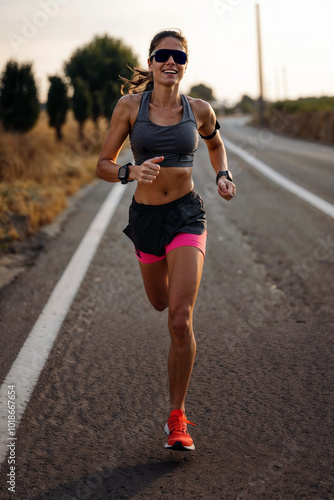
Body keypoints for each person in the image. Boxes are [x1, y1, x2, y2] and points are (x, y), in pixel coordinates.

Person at [96, 29, 236, 452]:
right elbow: (103, 164)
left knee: (179, 318)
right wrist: (129, 172)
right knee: (158, 303)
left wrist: (222, 173)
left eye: (178, 56)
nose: (170, 62)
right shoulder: (129, 108)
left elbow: (216, 146)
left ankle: (177, 416)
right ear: (152, 61)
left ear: (185, 63)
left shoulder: (200, 110)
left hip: (186, 215)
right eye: (163, 55)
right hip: (145, 219)